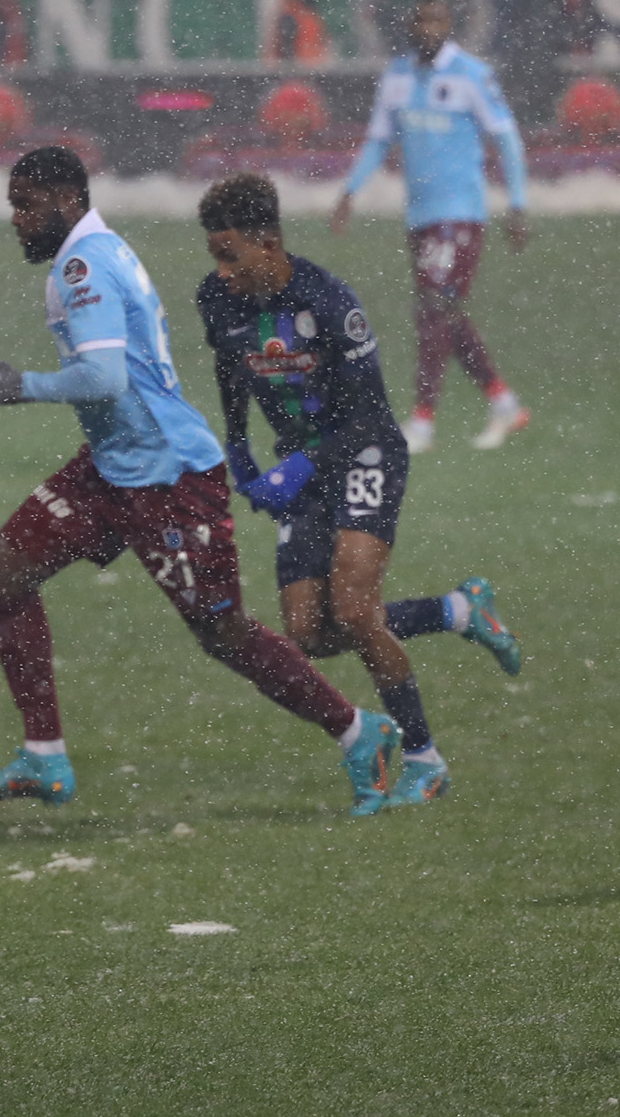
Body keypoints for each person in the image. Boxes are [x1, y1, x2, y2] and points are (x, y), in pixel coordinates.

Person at [0, 147, 403, 815]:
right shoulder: (98, 252)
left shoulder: (84, 265)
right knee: (3, 571)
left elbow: (106, 379)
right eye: (13, 206)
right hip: (113, 466)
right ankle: (44, 758)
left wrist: (18, 385)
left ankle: (356, 730)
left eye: (26, 204)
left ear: (66, 201)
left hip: (166, 477)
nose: (17, 220)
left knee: (224, 633)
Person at [193, 174, 525, 810]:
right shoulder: (218, 299)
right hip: (303, 465)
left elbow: (371, 416)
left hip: (364, 451)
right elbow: (229, 370)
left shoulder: (327, 300)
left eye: (229, 253)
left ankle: (425, 762)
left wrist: (302, 466)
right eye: (214, 253)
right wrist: (238, 450)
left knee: (352, 609)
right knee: (308, 632)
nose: (221, 269)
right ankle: (457, 611)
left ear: (268, 242)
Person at [332, 0, 532, 453]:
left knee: (433, 309)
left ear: (450, 25)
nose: (428, 29)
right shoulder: (398, 76)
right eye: (420, 20)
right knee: (444, 313)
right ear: (409, 25)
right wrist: (349, 191)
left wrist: (517, 204)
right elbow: (379, 140)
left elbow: (506, 138)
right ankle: (503, 402)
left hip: (461, 212)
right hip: (420, 215)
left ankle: (422, 421)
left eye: (437, 20)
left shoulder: (472, 76)